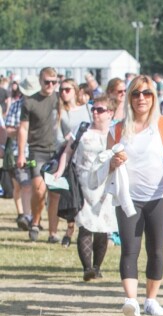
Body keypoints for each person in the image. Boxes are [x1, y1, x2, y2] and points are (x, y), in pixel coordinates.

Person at [106, 75, 163, 316]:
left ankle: (151, 300)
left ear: (154, 97)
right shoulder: (117, 128)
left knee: (156, 250)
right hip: (128, 197)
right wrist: (113, 162)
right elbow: (105, 166)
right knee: (129, 247)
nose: (142, 98)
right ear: (129, 97)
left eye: (147, 93)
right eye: (136, 94)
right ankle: (131, 300)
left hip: (158, 196)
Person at [56, 94, 117, 281]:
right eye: (94, 109)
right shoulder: (82, 129)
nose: (95, 113)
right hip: (82, 183)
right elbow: (68, 151)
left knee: (102, 228)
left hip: (106, 184)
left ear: (110, 113)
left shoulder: (115, 132)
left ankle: (97, 267)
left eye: (100, 110)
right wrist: (59, 171)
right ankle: (87, 268)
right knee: (85, 225)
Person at [16, 67, 59, 242]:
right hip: (37, 151)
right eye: (47, 81)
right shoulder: (29, 102)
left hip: (57, 152)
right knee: (39, 190)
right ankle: (35, 222)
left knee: (55, 193)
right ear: (40, 82)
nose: (50, 85)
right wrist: (20, 154)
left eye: (53, 82)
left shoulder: (59, 99)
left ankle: (53, 233)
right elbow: (23, 129)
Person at [56, 78, 92, 247]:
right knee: (71, 194)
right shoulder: (59, 111)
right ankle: (70, 230)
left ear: (75, 91)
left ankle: (88, 229)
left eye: (67, 89)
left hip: (87, 155)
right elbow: (57, 135)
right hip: (68, 154)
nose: (64, 92)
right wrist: (66, 141)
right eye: (61, 89)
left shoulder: (87, 109)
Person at [5, 77, 36, 231]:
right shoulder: (16, 106)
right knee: (25, 185)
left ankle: (33, 218)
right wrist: (21, 131)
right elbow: (8, 130)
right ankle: (26, 216)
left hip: (38, 152)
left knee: (38, 187)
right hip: (20, 153)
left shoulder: (40, 106)